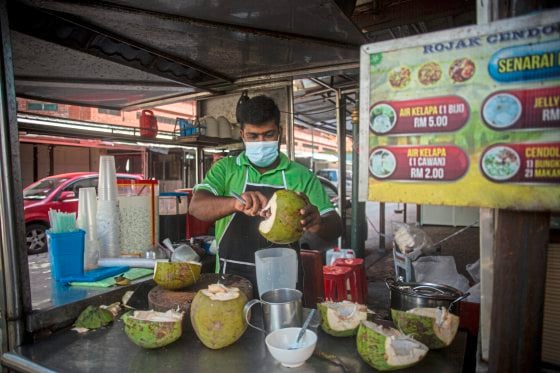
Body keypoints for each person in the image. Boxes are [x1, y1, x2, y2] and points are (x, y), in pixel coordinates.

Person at [189, 95, 342, 293]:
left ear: (280, 132)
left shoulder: (301, 175)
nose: (261, 142)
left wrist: (319, 222)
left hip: (283, 282)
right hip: (231, 282)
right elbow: (196, 206)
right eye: (253, 136)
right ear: (243, 135)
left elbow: (336, 225)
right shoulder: (226, 169)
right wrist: (234, 204)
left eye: (268, 135)